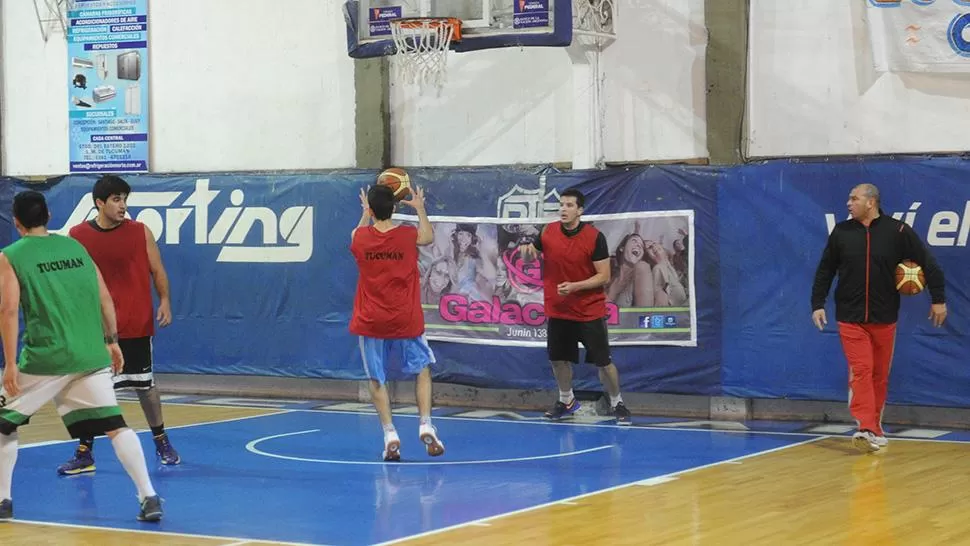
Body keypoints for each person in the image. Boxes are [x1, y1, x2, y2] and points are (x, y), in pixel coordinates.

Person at [0, 191, 163, 522]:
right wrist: (112, 341)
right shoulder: (75, 246)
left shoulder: (10, 255)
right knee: (115, 425)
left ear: (16, 222)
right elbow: (104, 296)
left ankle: (3, 501)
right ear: (47, 214)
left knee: (4, 425)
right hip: (91, 354)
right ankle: (149, 496)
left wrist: (11, 364)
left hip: (47, 358)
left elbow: (8, 309)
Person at [57, 174, 179, 476]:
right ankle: (85, 452)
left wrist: (165, 300)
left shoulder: (140, 232)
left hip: (135, 323)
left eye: (125, 199)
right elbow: (71, 281)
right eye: (116, 199)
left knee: (145, 386)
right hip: (95, 329)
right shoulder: (78, 235)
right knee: (90, 389)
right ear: (100, 203)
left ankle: (161, 440)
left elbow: (157, 269)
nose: (123, 205)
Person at [811, 183, 947, 453]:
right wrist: (817, 303)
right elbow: (825, 270)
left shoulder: (897, 231)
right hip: (849, 316)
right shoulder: (841, 232)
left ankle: (876, 427)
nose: (848, 203)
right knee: (861, 370)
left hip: (884, 317)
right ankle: (865, 427)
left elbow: (928, 262)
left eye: (854, 198)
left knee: (879, 375)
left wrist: (938, 299)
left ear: (871, 202)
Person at [520, 188, 632, 425]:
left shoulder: (594, 237)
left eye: (570, 205)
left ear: (580, 210)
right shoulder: (548, 231)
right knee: (558, 359)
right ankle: (566, 400)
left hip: (589, 310)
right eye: (561, 204)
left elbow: (603, 276)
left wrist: (575, 286)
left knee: (603, 362)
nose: (563, 209)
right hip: (558, 310)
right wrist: (527, 255)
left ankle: (616, 402)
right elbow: (531, 258)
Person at [350, 184, 444, 461]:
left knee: (376, 377)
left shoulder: (361, 237)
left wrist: (365, 214)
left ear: (370, 208)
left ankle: (390, 432)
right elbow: (427, 237)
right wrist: (419, 207)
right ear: (394, 208)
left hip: (371, 320)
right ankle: (425, 423)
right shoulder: (406, 235)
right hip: (405, 316)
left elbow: (356, 233)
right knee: (423, 369)